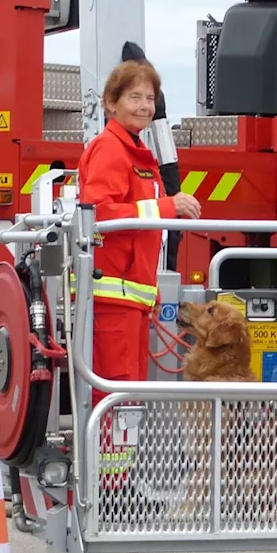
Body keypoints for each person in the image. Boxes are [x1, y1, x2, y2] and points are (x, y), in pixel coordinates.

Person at [78, 58, 202, 405]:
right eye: (134, 97)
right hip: (112, 301)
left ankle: (120, 460)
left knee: (128, 397)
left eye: (150, 98)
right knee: (117, 396)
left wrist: (150, 291)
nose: (145, 106)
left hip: (129, 299)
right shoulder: (110, 149)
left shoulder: (132, 151)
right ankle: (108, 460)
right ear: (111, 102)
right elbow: (99, 212)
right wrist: (169, 206)